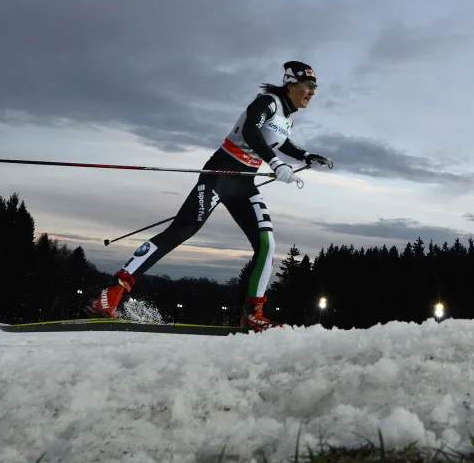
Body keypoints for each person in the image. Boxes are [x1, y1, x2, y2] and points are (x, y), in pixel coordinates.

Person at [84, 61, 333, 332]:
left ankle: (253, 313)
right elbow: (251, 130)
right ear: (291, 84)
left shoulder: (288, 115)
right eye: (308, 87)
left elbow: (278, 140)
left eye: (314, 89)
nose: (311, 93)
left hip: (245, 182)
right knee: (181, 230)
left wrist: (304, 155)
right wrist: (275, 163)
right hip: (220, 173)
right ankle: (110, 295)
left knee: (267, 244)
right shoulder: (267, 102)